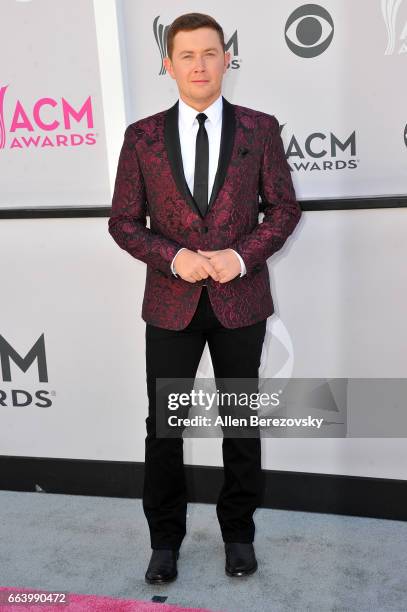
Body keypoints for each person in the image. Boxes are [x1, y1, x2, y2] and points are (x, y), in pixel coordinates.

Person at [108, 12, 301, 584]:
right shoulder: (141, 136)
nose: (199, 64)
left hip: (241, 302)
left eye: (210, 53)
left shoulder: (260, 129)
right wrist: (175, 258)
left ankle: (238, 534)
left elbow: (284, 210)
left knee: (241, 425)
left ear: (226, 59)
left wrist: (239, 257)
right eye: (187, 55)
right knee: (164, 428)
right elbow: (123, 222)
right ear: (168, 64)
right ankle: (164, 540)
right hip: (171, 305)